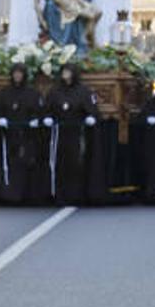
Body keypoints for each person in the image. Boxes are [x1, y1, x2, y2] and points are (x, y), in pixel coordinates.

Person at [43, 63, 103, 205]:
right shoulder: (55, 90)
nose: (65, 74)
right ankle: (59, 195)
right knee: (59, 164)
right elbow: (48, 108)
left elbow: (93, 110)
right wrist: (48, 117)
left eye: (68, 71)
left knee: (76, 165)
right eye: (64, 71)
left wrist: (91, 117)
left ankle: (76, 195)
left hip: (76, 134)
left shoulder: (83, 91)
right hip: (59, 134)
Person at [0, 64, 47, 204]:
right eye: (15, 73)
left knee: (27, 163)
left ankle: (28, 195)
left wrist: (35, 120)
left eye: (20, 73)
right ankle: (9, 194)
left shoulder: (32, 93)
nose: (17, 76)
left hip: (27, 135)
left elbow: (39, 110)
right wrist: (0, 119)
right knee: (10, 165)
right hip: (9, 135)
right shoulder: (4, 92)